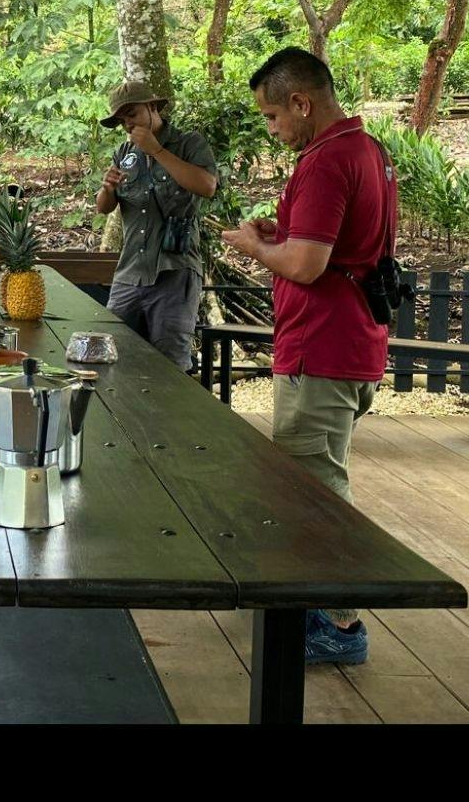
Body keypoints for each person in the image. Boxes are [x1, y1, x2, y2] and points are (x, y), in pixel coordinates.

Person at [222, 47, 399, 667]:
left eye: (273, 116)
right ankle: (321, 610)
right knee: (321, 478)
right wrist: (281, 236)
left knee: (312, 491)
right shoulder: (368, 149)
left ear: (302, 101)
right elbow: (334, 244)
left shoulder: (325, 160)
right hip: (353, 339)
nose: (272, 128)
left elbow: (306, 264)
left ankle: (339, 622)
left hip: (320, 346)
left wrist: (252, 246)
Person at [95, 79, 217, 371]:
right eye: (122, 120)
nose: (127, 124)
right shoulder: (124, 153)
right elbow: (104, 207)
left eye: (132, 114)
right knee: (113, 357)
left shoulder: (189, 143)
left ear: (152, 107)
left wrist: (156, 151)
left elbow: (207, 186)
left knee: (169, 366)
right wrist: (108, 188)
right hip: (130, 273)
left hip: (174, 271)